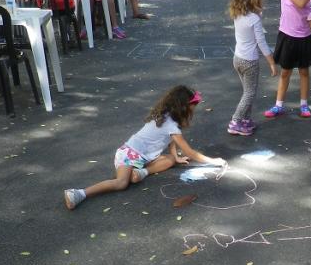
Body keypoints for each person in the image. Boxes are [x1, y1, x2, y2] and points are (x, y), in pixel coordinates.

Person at [63, 86, 227, 210]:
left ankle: (140, 173)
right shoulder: (172, 126)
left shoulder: (166, 117)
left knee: (171, 160)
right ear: (183, 107)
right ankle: (79, 193)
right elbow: (189, 152)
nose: (193, 109)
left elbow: (171, 141)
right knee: (121, 183)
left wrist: (175, 156)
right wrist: (213, 161)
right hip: (128, 154)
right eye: (192, 106)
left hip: (141, 158)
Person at [227, 0, 279, 136]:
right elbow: (261, 43)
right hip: (250, 61)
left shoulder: (237, 14)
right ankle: (236, 121)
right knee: (249, 93)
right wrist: (271, 62)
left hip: (237, 58)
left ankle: (245, 119)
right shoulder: (254, 19)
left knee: (246, 91)